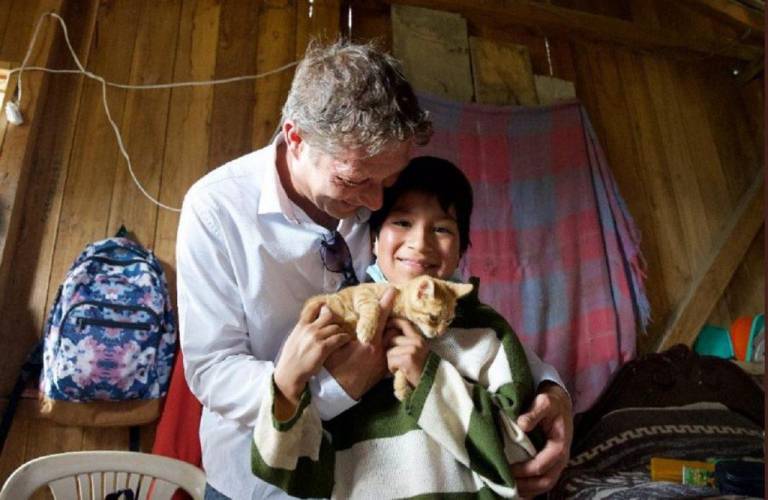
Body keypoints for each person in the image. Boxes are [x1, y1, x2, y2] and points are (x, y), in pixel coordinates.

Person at [177, 40, 571, 500]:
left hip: (372, 474)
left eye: (386, 181)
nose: (376, 203)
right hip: (256, 479)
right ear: (296, 138)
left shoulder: (385, 198)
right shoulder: (215, 211)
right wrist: (338, 388)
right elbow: (214, 370)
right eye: (354, 181)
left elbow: (458, 325)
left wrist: (550, 389)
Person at [251, 156, 570, 498]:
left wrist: (429, 377)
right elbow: (293, 472)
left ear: (462, 248)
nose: (420, 242)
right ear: (373, 239)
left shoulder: (487, 333)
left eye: (443, 228)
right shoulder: (339, 328)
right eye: (402, 222)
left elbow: (519, 455)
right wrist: (287, 386)